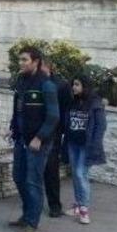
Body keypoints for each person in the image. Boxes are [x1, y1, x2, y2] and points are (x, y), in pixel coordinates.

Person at [9, 48, 60, 232]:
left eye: (25, 60)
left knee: (33, 182)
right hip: (21, 139)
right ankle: (26, 215)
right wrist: (13, 128)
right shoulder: (21, 82)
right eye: (20, 59)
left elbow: (53, 116)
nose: (21, 63)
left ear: (36, 62)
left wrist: (39, 138)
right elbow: (18, 110)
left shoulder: (46, 85)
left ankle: (32, 223)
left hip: (38, 143)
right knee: (18, 177)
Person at [63, 74, 107, 225]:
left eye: (77, 84)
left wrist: (95, 144)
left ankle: (84, 209)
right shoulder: (72, 101)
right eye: (73, 84)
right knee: (75, 174)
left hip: (86, 146)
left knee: (81, 174)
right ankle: (77, 204)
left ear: (85, 86)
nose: (74, 87)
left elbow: (101, 126)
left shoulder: (95, 103)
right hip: (72, 142)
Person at [40, 59, 73, 218]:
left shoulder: (61, 85)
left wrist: (62, 130)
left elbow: (67, 108)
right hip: (34, 129)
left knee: (51, 169)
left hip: (53, 132)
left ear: (48, 67)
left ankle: (54, 205)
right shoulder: (32, 82)